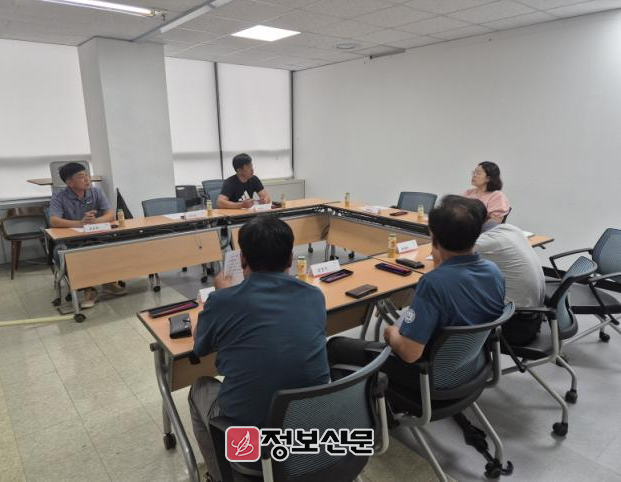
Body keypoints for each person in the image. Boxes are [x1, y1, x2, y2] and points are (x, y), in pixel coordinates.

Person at [189, 216, 330, 482]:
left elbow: (199, 345)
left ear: (243, 259)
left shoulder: (222, 301)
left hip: (252, 448)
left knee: (199, 387)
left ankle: (220, 476)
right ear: (290, 258)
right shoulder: (314, 296)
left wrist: (212, 301)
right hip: (312, 433)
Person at [328, 195, 505, 398]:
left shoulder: (434, 283)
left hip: (428, 377)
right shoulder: (493, 271)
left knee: (336, 347)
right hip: (470, 367)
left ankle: (362, 408)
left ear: (434, 239)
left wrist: (390, 332)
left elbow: (409, 353)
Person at [48, 162, 125, 308]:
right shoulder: (59, 196)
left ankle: (109, 281)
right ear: (69, 182)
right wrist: (80, 223)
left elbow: (110, 214)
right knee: (68, 253)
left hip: (94, 235)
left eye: (87, 175)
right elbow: (54, 220)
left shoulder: (96, 192)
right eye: (81, 176)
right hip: (70, 239)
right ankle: (88, 289)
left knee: (114, 245)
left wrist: (94, 221)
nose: (87, 179)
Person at [473, 199, 545, 345]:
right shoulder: (511, 229)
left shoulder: (483, 243)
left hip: (514, 327)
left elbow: (445, 262)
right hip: (534, 316)